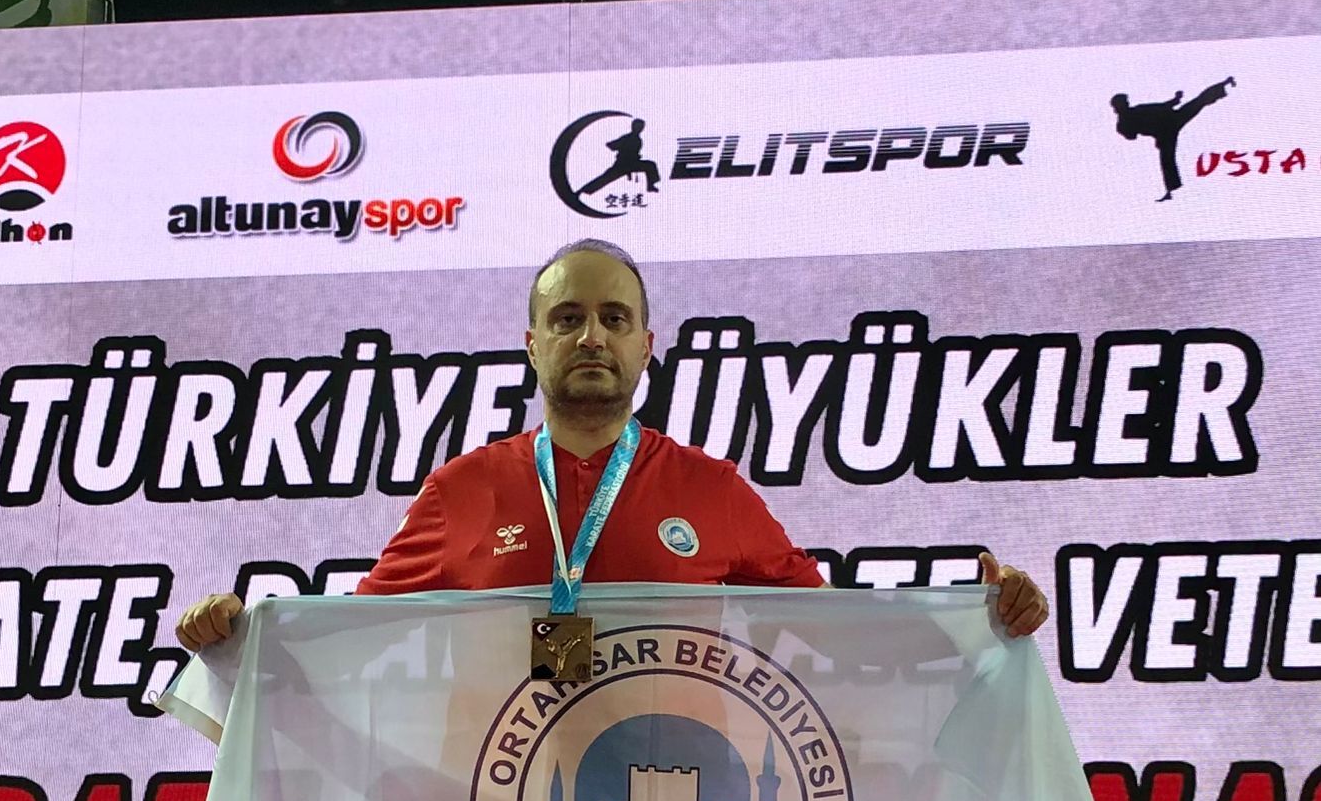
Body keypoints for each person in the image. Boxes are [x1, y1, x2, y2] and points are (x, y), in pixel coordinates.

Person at [175, 241, 1049, 650]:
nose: (591, 336)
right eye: (567, 319)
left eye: (613, 318)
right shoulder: (461, 493)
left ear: (646, 345)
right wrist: (240, 637)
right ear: (532, 346)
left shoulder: (712, 490)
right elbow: (344, 640)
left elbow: (841, 634)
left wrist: (978, 625)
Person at [1111, 78, 1235, 203]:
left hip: (1171, 122)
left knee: (1198, 102)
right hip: (1166, 131)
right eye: (1123, 103)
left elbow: (1160, 107)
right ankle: (1172, 190)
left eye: (1125, 102)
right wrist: (1175, 101)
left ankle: (1224, 84)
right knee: (1167, 160)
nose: (1126, 104)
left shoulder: (1135, 113)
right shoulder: (1126, 121)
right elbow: (1132, 135)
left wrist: (1175, 100)